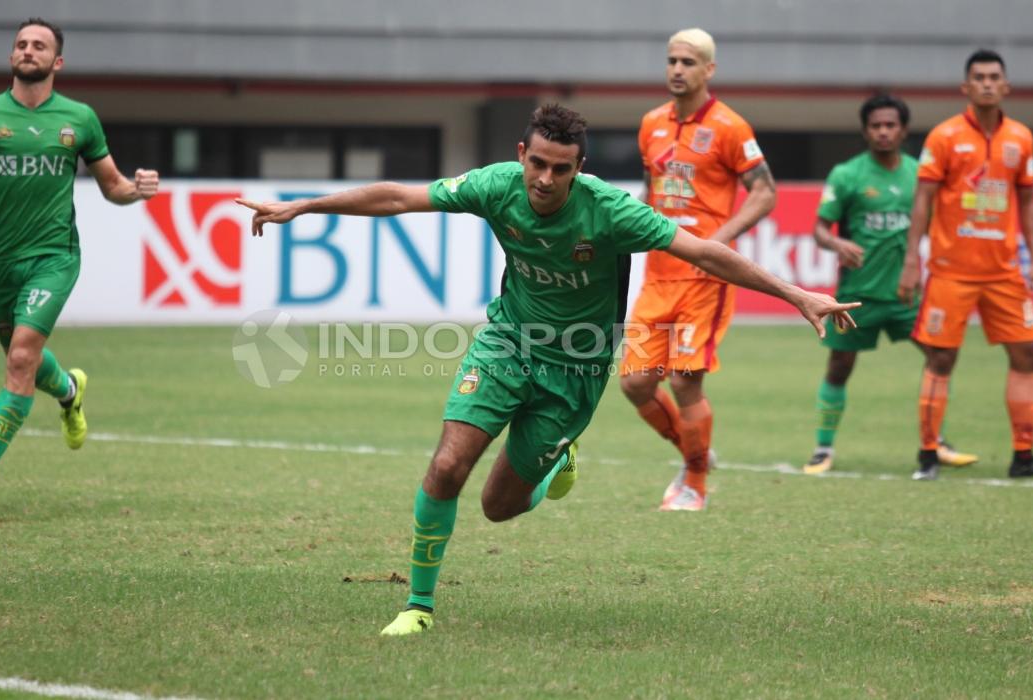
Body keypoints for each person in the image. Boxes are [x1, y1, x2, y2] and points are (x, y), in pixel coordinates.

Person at [237, 104, 858, 636]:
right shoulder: (496, 185)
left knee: (498, 507)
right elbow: (401, 196)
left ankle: (558, 458)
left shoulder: (611, 212)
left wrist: (797, 294)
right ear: (522, 154)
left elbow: (703, 251)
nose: (545, 178)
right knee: (449, 463)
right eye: (537, 163)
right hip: (507, 344)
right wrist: (304, 206)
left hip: (576, 372)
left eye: (561, 168)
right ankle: (418, 605)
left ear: (579, 168)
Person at [0, 18, 160, 503]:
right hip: (0, 262)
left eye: (39, 45)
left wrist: (137, 190)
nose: (28, 50)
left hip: (55, 256)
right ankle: (70, 390)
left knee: (22, 356)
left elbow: (113, 186)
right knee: (20, 357)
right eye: (21, 44)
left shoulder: (80, 118)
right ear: (12, 57)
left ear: (57, 62)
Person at [618, 28, 776, 511]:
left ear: (709, 70)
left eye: (689, 62)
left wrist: (717, 243)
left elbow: (765, 192)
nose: (677, 70)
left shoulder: (730, 127)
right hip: (658, 274)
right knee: (635, 383)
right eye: (672, 61)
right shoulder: (651, 124)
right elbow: (652, 193)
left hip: (704, 279)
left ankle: (695, 484)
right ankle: (694, 453)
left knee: (686, 381)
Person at [898, 49, 1033, 480]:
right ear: (965, 87)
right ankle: (928, 455)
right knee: (941, 359)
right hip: (951, 272)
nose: (987, 83)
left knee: (1027, 354)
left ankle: (1024, 457)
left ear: (1006, 86)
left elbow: (1027, 202)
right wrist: (913, 259)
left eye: (994, 77)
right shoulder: (945, 137)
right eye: (979, 77)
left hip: (1004, 272)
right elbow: (923, 200)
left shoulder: (1021, 139)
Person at [804, 93, 977, 474]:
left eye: (890, 125)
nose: (883, 132)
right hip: (857, 296)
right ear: (866, 131)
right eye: (876, 126)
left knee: (939, 357)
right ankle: (823, 449)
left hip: (906, 292)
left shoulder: (921, 174)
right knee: (839, 366)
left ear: (903, 130)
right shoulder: (847, 174)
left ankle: (937, 441)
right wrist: (836, 241)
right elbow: (818, 229)